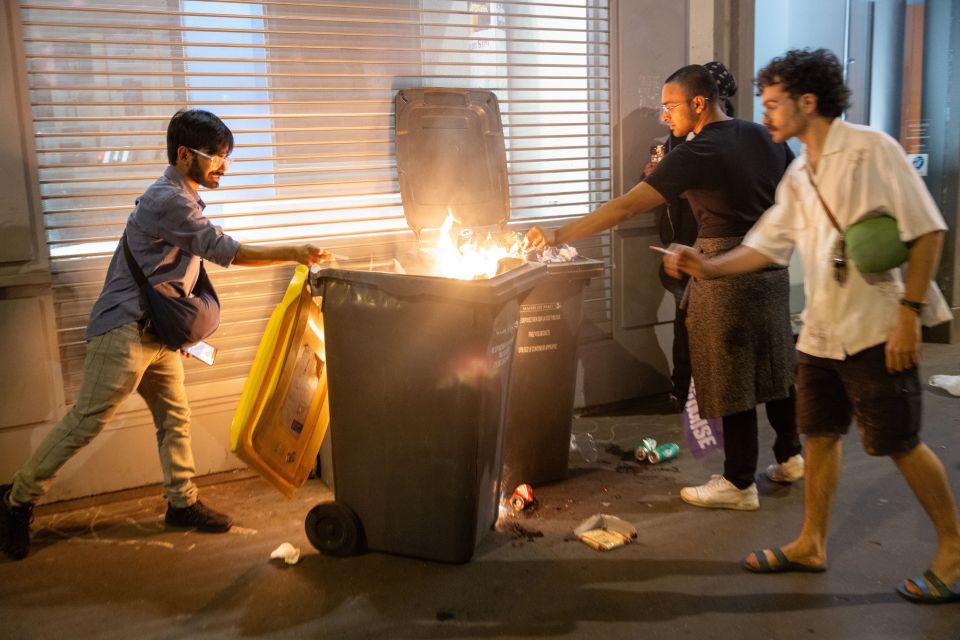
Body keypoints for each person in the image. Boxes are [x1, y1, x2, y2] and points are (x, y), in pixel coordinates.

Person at [665, 48, 960, 603]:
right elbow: (765, 245)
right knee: (820, 438)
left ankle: (955, 548)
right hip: (823, 332)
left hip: (877, 327)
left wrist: (909, 316)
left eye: (774, 104)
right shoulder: (800, 171)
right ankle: (811, 543)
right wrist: (706, 265)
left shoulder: (873, 150)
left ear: (807, 102)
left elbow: (928, 232)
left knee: (899, 441)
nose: (766, 115)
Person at [0, 109, 331, 561]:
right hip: (124, 331)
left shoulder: (184, 196)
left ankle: (182, 503)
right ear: (183, 155)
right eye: (215, 157)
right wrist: (294, 252)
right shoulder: (168, 200)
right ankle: (16, 502)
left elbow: (175, 275)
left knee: (175, 418)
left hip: (157, 334)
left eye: (227, 157)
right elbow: (224, 251)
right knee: (86, 422)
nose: (223, 166)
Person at [526, 64, 802, 511]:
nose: (664, 116)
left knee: (730, 375)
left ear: (699, 103)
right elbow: (792, 194)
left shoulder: (699, 150)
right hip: (769, 262)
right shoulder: (760, 135)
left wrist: (560, 234)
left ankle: (738, 483)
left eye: (670, 105)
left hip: (720, 262)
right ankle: (790, 457)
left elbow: (626, 206)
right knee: (773, 363)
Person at [645, 61, 739, 408]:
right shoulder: (672, 143)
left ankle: (706, 394)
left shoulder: (736, 140)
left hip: (715, 255)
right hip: (679, 249)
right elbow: (644, 192)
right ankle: (683, 390)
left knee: (707, 330)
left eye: (670, 107)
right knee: (685, 322)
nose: (665, 116)